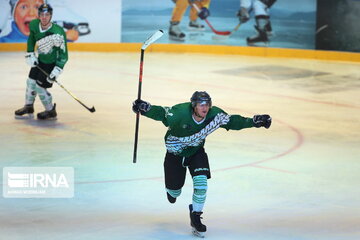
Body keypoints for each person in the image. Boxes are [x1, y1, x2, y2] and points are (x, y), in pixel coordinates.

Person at [132, 91, 271, 237]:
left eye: (207, 104)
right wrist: (145, 109)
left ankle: (196, 215)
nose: (205, 108)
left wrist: (254, 122)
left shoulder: (215, 115)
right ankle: (172, 190)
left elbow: (233, 121)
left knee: (202, 184)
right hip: (175, 155)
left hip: (196, 152)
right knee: (174, 193)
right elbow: (162, 113)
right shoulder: (180, 113)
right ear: (194, 106)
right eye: (201, 104)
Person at [14, 3, 68, 120]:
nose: (44, 17)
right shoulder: (34, 25)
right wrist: (30, 53)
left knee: (40, 87)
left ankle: (50, 111)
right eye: (42, 14)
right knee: (30, 82)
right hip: (40, 60)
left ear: (51, 16)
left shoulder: (58, 32)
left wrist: (57, 69)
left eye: (47, 14)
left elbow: (64, 55)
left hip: (51, 64)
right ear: (38, 15)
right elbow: (32, 38)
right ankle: (28, 106)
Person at [0, 0, 79, 43]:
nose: (31, 13)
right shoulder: (3, 42)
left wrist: (67, 38)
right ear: (13, 13)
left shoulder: (54, 40)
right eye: (24, 7)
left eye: (38, 7)